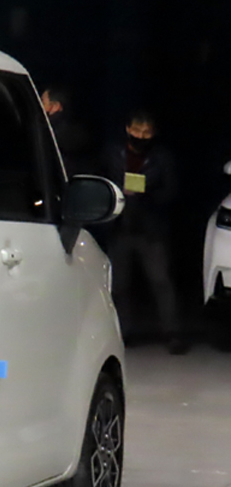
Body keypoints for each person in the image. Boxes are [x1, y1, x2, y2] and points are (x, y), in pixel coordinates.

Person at [104, 110, 186, 354]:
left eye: (146, 132)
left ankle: (173, 334)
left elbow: (172, 191)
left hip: (151, 230)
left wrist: (144, 190)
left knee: (161, 282)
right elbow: (103, 181)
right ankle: (124, 333)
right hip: (120, 227)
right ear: (128, 130)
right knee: (119, 285)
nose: (141, 136)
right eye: (137, 131)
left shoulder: (161, 157)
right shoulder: (113, 153)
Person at [41, 86, 92, 175]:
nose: (40, 106)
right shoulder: (73, 133)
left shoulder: (54, 135)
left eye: (42, 102)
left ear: (55, 107)